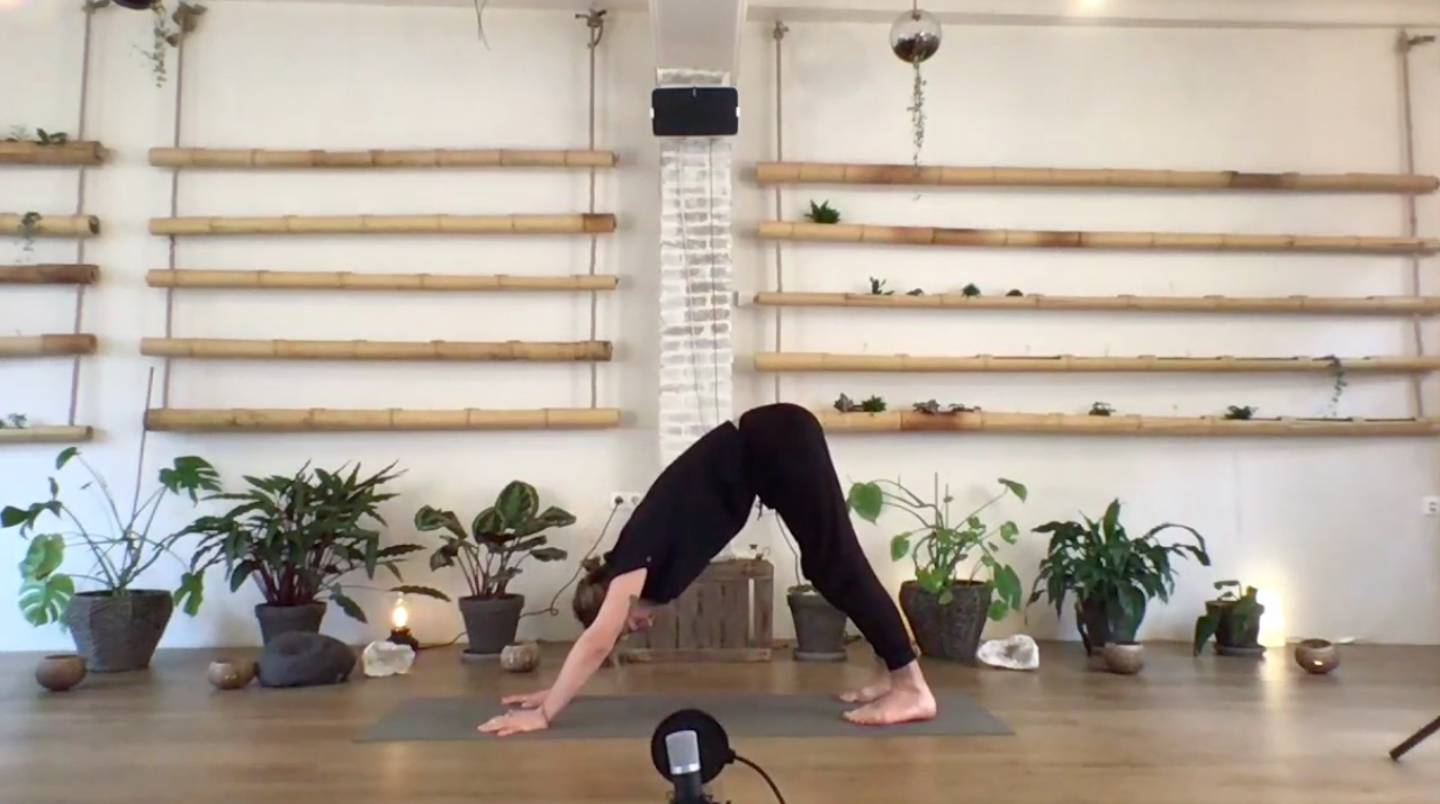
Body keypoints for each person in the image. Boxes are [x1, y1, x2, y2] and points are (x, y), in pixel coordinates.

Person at [478, 402, 937, 737]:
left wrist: (545, 714)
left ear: (609, 598)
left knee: (835, 563)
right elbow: (600, 638)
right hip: (773, 442)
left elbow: (597, 642)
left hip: (776, 440)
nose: (639, 626)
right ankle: (891, 673)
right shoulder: (639, 561)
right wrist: (553, 691)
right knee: (826, 565)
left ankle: (911, 689)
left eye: (628, 625)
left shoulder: (631, 564)